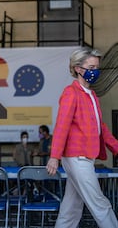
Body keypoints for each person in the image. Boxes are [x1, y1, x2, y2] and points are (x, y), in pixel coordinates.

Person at [46, 47, 118, 228]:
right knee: (99, 203)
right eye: (91, 67)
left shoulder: (92, 95)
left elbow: (102, 129)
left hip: (85, 157)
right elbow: (62, 126)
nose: (95, 71)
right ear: (78, 68)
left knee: (71, 207)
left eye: (97, 67)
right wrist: (54, 157)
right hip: (77, 157)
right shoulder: (71, 93)